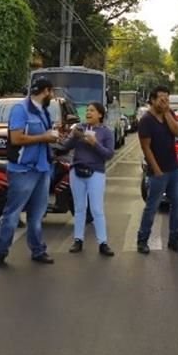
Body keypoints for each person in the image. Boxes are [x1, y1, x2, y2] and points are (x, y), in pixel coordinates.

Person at [0, 78, 61, 269]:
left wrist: (53, 137)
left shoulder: (43, 111)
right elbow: (16, 138)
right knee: (12, 214)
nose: (52, 96)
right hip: (22, 170)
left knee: (37, 216)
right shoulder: (21, 110)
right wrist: (44, 137)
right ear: (46, 91)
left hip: (42, 169)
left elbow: (44, 136)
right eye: (51, 92)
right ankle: (0, 253)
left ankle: (38, 250)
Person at [137, 86, 178, 254]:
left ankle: (174, 239)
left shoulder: (169, 114)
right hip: (158, 172)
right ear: (152, 100)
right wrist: (156, 170)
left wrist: (167, 113)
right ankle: (142, 240)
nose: (165, 102)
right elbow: (146, 148)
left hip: (174, 169)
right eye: (161, 99)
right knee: (152, 207)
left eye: (167, 99)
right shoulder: (146, 120)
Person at [63, 101, 115, 257]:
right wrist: (74, 136)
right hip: (76, 171)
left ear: (100, 114)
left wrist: (95, 143)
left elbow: (109, 154)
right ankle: (78, 240)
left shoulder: (106, 132)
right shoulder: (80, 128)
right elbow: (66, 146)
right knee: (79, 208)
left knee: (97, 208)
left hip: (96, 172)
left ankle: (103, 243)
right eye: (87, 110)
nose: (88, 113)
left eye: (92, 110)